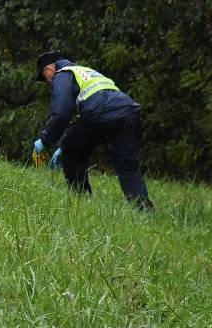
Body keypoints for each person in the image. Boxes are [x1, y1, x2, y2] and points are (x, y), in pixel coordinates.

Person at [32, 50, 154, 211]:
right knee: (127, 166)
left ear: (49, 69)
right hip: (127, 112)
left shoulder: (62, 74)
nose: (48, 82)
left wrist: (46, 140)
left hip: (101, 114)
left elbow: (61, 113)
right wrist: (64, 143)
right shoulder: (86, 71)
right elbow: (81, 113)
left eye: (45, 77)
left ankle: (81, 203)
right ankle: (143, 210)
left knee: (72, 150)